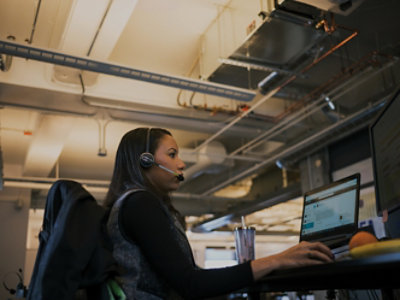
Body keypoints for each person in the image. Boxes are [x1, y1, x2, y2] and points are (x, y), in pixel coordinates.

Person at [104, 127, 333, 300]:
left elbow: (189, 277)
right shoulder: (140, 204)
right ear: (146, 160)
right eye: (172, 155)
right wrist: (278, 260)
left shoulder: (131, 203)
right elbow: (191, 283)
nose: (181, 164)